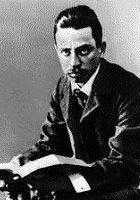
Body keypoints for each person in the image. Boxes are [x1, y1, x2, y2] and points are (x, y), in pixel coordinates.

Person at [7, 4, 140, 199]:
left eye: (84, 51)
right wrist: (27, 158)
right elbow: (49, 143)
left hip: (119, 190)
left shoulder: (130, 88)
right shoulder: (63, 86)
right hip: (78, 188)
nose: (74, 63)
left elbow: (124, 165)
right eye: (65, 52)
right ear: (56, 50)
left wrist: (70, 183)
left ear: (101, 49)